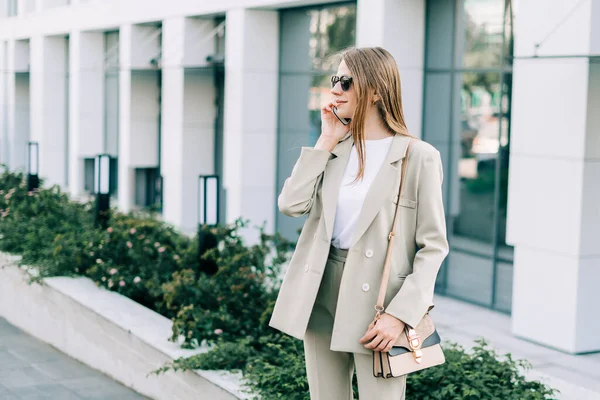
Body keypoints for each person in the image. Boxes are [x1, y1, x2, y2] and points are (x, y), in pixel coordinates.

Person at [269, 47, 449, 400]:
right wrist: (326, 139)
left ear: (377, 89)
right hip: (321, 286)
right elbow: (291, 205)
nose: (335, 89)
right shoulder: (337, 148)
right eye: (334, 80)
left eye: (345, 82)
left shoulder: (418, 156)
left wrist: (401, 314)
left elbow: (433, 246)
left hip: (379, 300)